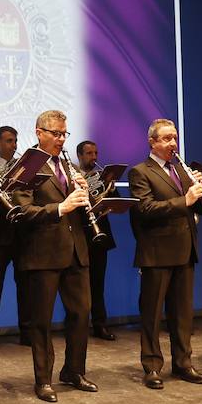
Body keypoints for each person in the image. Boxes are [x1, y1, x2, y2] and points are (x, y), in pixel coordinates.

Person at [9, 110, 96, 402]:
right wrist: (61, 208)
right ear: (39, 132)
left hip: (75, 250)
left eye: (64, 134)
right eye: (55, 133)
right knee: (42, 321)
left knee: (82, 313)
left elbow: (80, 208)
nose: (60, 139)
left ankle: (73, 370)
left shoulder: (70, 166)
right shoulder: (26, 166)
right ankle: (43, 379)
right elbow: (21, 212)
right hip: (42, 254)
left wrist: (89, 196)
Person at [127, 119, 202, 389]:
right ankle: (152, 366)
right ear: (152, 142)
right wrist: (184, 200)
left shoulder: (183, 170)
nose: (173, 143)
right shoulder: (140, 172)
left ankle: (183, 363)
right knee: (152, 314)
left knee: (183, 314)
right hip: (156, 252)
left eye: (174, 138)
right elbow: (146, 209)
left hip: (185, 250)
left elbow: (201, 211)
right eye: (166, 138)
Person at [0, 125, 30, 352]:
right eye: (9, 141)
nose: (14, 145)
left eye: (15, 140)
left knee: (25, 285)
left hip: (21, 234)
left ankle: (26, 331)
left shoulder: (24, 167)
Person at [76, 139, 118, 340]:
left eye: (95, 153)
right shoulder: (73, 176)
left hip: (99, 235)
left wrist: (111, 187)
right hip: (79, 234)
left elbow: (115, 204)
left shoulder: (102, 177)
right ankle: (78, 326)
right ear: (80, 156)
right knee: (77, 285)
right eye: (89, 153)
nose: (94, 157)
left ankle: (100, 324)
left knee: (97, 283)